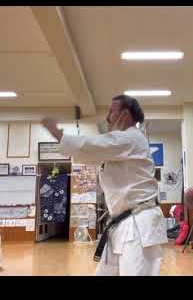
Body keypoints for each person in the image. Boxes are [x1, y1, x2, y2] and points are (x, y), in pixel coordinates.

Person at [42, 95, 168, 276]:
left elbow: (94, 145)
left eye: (111, 112)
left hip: (139, 225)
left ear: (124, 115)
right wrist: (65, 141)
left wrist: (59, 134)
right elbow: (90, 153)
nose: (107, 117)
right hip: (122, 224)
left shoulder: (131, 138)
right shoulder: (117, 147)